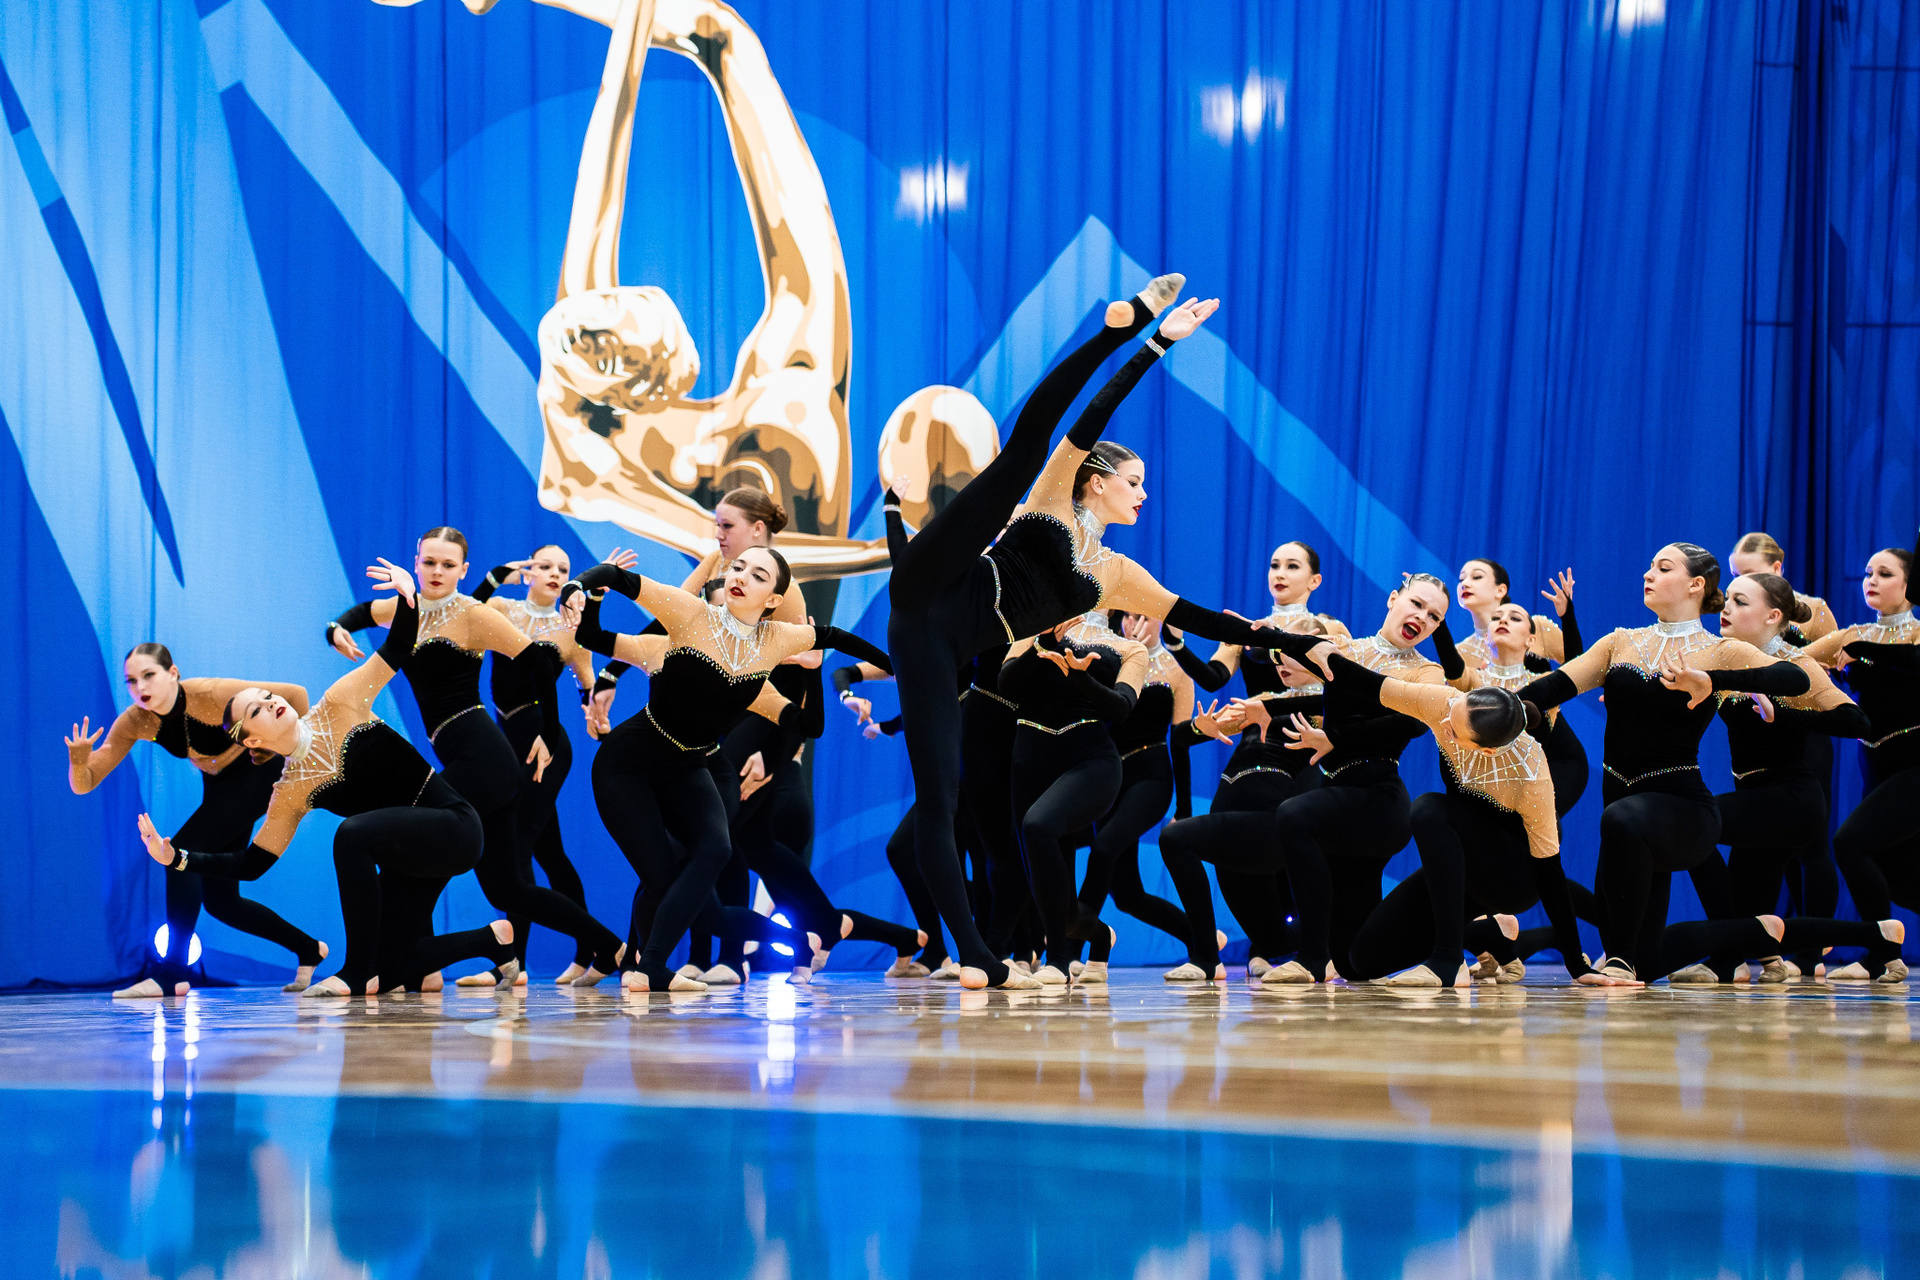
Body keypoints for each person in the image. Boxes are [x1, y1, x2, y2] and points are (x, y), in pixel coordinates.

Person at [135, 559, 517, 997]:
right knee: (391, 971)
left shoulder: (340, 702)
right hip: (406, 857)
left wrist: (407, 596)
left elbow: (397, 647)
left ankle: (353, 971)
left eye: (267, 696)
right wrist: (178, 858)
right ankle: (491, 941)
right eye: (256, 709)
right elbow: (252, 864)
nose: (271, 702)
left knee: (350, 835)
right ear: (252, 739)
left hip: (454, 825)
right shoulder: (289, 790)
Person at [560, 546, 893, 992]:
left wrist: (883, 668)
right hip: (628, 766)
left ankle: (658, 964)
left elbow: (827, 655)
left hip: (689, 766)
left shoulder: (775, 641)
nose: (741, 576)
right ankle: (649, 966)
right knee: (664, 881)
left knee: (715, 860)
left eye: (758, 575)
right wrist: (581, 587)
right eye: (738, 567)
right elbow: (613, 589)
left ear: (773, 599)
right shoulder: (689, 613)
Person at [329, 528, 627, 984]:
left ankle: (389, 966)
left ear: (463, 571)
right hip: (468, 758)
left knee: (411, 845)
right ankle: (613, 947)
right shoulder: (402, 608)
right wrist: (336, 631)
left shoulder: (473, 613)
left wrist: (548, 733)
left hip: (482, 756)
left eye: (448, 565)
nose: (437, 572)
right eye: (430, 562)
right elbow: (357, 614)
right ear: (416, 563)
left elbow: (538, 661)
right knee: (508, 887)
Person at [1517, 544, 1810, 983]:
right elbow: (1551, 688)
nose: (1648, 574)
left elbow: (1795, 678)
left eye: (1663, 567)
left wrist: (1712, 680)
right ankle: (1752, 930)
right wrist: (1492, 709)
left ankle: (1618, 961)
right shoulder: (1620, 642)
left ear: (1696, 585)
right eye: (1650, 565)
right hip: (1624, 823)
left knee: (1622, 836)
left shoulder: (1719, 649)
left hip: (1683, 812)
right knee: (1648, 962)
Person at [66, 648, 324, 997]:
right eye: (131, 680)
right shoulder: (135, 721)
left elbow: (295, 694)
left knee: (179, 853)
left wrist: (302, 759)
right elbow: (85, 784)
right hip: (220, 788)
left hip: (256, 773)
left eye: (149, 675)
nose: (140, 687)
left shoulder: (209, 693)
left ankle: (172, 974)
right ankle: (309, 949)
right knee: (221, 902)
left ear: (173, 672)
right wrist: (78, 762)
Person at [1802, 545, 1919, 981]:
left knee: (1850, 843)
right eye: (1868, 572)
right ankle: (1882, 955)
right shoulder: (1852, 635)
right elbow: (1797, 661)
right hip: (1875, 766)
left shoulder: (1913, 636)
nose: (1871, 580)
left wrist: (1866, 651)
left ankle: (1882, 956)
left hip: (1915, 765)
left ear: (1909, 584)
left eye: (1884, 573)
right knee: (1896, 875)